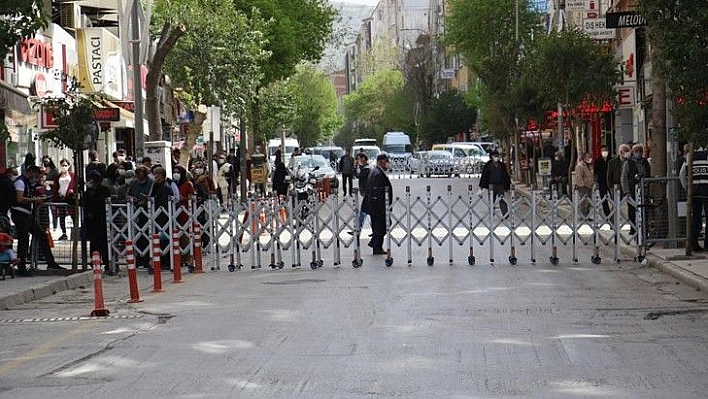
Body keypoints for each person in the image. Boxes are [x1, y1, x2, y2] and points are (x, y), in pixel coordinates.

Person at [11, 165, 64, 274]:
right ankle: (21, 267)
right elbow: (19, 198)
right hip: (20, 213)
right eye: (35, 175)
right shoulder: (20, 182)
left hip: (26, 214)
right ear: (30, 172)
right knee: (23, 239)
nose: (35, 178)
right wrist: (34, 200)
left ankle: (51, 262)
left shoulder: (27, 183)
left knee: (42, 235)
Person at [83, 170, 112, 272]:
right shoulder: (88, 192)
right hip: (92, 222)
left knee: (104, 243)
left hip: (103, 221)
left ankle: (107, 262)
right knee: (94, 243)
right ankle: (95, 262)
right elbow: (84, 203)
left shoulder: (104, 190)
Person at [680, 149, 708, 251]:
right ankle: (707, 245)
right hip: (706, 191)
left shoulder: (690, 156)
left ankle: (693, 244)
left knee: (695, 218)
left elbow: (682, 175)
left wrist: (688, 188)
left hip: (694, 192)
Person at [621, 143, 651, 235]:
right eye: (636, 151)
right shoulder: (628, 163)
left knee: (644, 210)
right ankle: (633, 228)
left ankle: (644, 229)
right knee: (632, 210)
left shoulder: (645, 162)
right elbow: (624, 177)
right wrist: (626, 191)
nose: (638, 153)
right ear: (632, 152)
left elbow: (649, 173)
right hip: (632, 190)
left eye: (640, 151)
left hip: (644, 190)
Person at [366, 153, 392, 255]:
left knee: (380, 226)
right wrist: (383, 205)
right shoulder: (377, 173)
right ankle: (376, 246)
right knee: (381, 226)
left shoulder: (376, 171)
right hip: (378, 206)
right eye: (386, 162)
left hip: (375, 205)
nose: (387, 164)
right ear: (381, 162)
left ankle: (376, 244)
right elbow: (378, 191)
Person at [479, 150, 511, 217]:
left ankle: (505, 213)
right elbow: (484, 176)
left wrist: (507, 186)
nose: (496, 158)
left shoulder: (501, 165)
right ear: (491, 157)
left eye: (497, 156)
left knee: (502, 200)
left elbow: (506, 176)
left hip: (500, 186)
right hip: (491, 186)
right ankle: (491, 213)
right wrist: (482, 186)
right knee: (491, 200)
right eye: (495, 156)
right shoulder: (488, 165)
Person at [53, 159, 77, 241]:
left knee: (73, 215)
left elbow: (76, 185)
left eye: (65, 165)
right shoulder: (58, 176)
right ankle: (64, 233)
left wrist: (73, 191)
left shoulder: (72, 175)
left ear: (69, 166)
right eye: (62, 165)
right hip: (61, 198)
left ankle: (75, 232)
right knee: (62, 216)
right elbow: (56, 187)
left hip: (70, 198)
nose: (64, 167)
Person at [574, 152, 595, 218]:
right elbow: (578, 177)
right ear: (584, 158)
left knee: (588, 201)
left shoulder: (589, 166)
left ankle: (587, 215)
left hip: (589, 186)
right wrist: (582, 185)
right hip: (583, 186)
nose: (589, 158)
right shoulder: (580, 166)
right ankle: (583, 215)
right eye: (588, 157)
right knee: (583, 202)